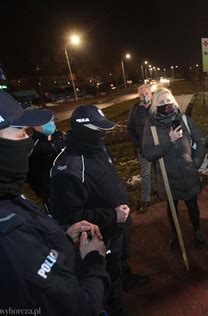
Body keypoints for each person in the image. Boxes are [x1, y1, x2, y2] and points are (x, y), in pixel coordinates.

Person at [0, 83, 110, 314]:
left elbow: (28, 233)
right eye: (21, 133)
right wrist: (94, 259)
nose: (27, 142)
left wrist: (60, 237)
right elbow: (79, 308)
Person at [49, 105, 148, 315]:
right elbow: (69, 217)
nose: (103, 134)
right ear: (83, 130)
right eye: (98, 129)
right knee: (109, 275)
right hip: (102, 234)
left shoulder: (99, 148)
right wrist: (112, 215)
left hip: (120, 225)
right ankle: (116, 307)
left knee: (121, 260)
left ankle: (126, 278)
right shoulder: (68, 166)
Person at [142, 87, 207, 247]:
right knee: (172, 206)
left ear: (173, 101)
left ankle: (197, 230)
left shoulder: (184, 119)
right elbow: (148, 153)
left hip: (188, 173)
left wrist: (197, 162)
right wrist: (169, 140)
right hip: (167, 177)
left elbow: (200, 141)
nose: (166, 104)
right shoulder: (151, 126)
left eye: (168, 100)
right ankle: (175, 233)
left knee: (192, 204)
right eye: (161, 102)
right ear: (155, 105)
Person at [27, 118, 66, 212]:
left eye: (52, 120)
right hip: (50, 194)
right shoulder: (29, 145)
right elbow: (27, 174)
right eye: (46, 121)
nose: (51, 123)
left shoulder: (62, 137)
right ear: (35, 125)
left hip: (71, 187)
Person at [127, 84, 153, 214]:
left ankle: (162, 192)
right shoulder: (135, 110)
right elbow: (130, 129)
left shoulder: (157, 107)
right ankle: (145, 199)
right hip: (143, 149)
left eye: (147, 93)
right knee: (145, 173)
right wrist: (138, 144)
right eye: (142, 94)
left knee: (162, 170)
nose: (145, 96)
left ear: (151, 94)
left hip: (159, 147)